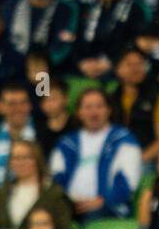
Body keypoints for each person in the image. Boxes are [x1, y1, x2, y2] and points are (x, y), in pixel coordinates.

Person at [48, 88, 143, 221]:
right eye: (88, 107)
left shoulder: (123, 140)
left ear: (108, 110)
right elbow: (56, 180)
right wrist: (67, 202)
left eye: (99, 106)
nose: (94, 112)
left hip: (109, 206)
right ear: (79, 113)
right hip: (69, 206)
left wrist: (103, 201)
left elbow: (128, 181)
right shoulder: (66, 143)